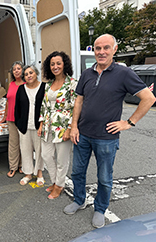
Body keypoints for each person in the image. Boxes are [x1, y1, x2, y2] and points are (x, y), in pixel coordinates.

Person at [63, 34, 156, 228]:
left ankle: (100, 209)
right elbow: (79, 100)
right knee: (78, 172)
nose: (101, 52)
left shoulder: (124, 73)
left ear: (114, 49)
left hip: (106, 138)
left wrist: (129, 122)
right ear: (94, 50)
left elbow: (149, 98)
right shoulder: (87, 74)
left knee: (104, 178)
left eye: (106, 47)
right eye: (98, 48)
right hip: (83, 134)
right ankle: (79, 200)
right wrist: (74, 126)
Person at [38, 51, 78, 199]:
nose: (55, 66)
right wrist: (41, 124)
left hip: (63, 126)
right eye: (52, 64)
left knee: (62, 159)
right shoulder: (48, 85)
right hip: (48, 125)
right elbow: (44, 105)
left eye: (58, 63)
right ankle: (54, 181)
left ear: (64, 65)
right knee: (46, 155)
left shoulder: (72, 83)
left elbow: (76, 107)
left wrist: (70, 128)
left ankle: (59, 185)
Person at [15, 65, 46, 186]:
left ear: (36, 73)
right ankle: (28, 173)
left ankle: (39, 174)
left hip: (39, 126)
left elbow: (46, 107)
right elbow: (17, 108)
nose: (29, 76)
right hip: (24, 126)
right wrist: (19, 123)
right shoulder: (21, 89)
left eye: (31, 73)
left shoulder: (44, 87)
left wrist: (43, 125)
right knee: (25, 150)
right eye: (26, 74)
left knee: (39, 151)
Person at [0, 61, 25, 178]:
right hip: (11, 118)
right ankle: (13, 167)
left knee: (24, 144)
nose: (16, 71)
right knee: (13, 144)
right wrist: (4, 116)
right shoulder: (11, 84)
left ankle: (22, 165)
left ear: (22, 70)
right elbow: (8, 102)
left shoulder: (26, 84)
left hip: (23, 119)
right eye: (14, 69)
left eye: (18, 68)